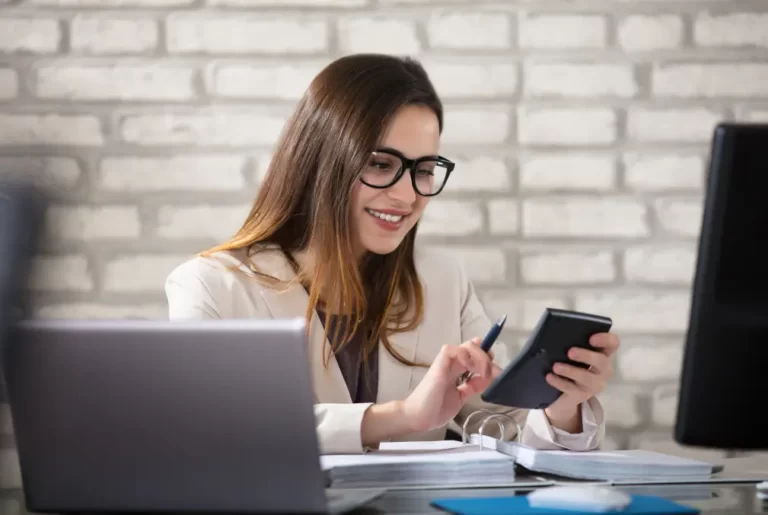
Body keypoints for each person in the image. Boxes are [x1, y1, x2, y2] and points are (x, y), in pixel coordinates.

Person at [165, 54, 620, 455]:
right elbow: (210, 433)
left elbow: (507, 434)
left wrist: (561, 406)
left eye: (424, 170)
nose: (407, 195)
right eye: (381, 164)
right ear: (322, 160)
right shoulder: (212, 286)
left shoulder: (443, 281)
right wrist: (401, 417)